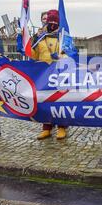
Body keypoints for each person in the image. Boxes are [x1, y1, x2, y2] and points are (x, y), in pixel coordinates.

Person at [31, 10, 68, 141]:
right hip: (44, 75)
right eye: (49, 21)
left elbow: (71, 54)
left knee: (60, 100)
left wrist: (61, 56)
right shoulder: (40, 38)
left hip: (59, 74)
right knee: (45, 100)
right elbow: (33, 55)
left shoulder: (64, 37)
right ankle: (46, 128)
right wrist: (25, 41)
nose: (52, 24)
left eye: (54, 22)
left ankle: (62, 127)